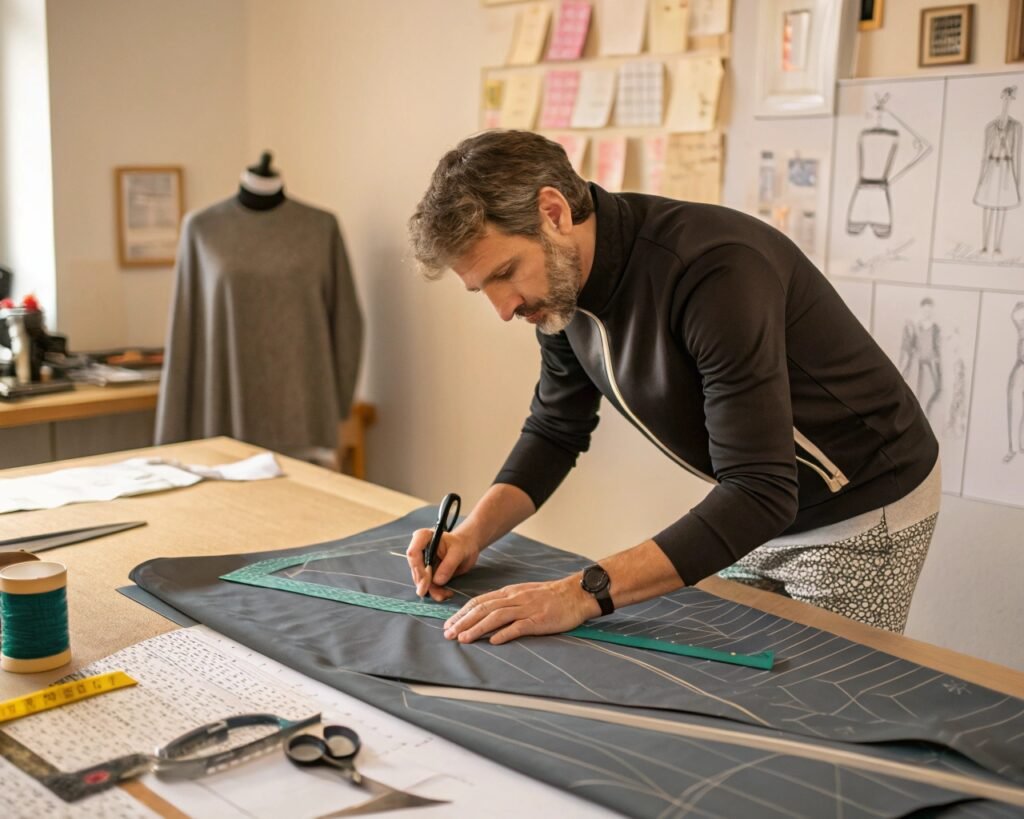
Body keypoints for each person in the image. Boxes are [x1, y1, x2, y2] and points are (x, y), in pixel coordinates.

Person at [405, 130, 940, 646]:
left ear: (554, 213)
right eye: (483, 289)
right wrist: (471, 535)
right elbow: (555, 429)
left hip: (861, 503)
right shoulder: (560, 293)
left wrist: (578, 593)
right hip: (759, 501)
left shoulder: (714, 270)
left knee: (815, 691)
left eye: (506, 272)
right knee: (731, 671)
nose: (504, 309)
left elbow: (761, 491)